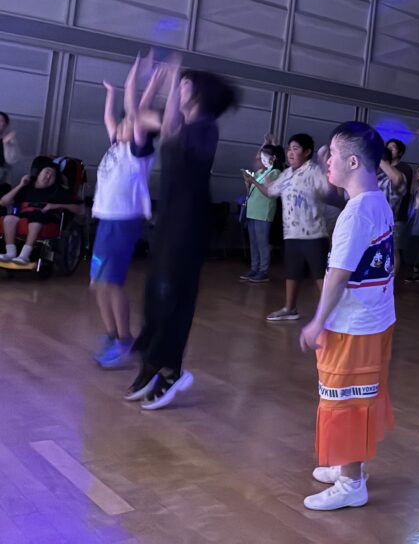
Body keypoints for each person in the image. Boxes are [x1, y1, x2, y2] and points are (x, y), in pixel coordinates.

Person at [126, 59, 237, 410]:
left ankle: (171, 369)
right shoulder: (180, 122)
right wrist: (146, 81)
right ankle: (151, 364)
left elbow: (170, 124)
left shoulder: (205, 128)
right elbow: (137, 116)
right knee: (155, 290)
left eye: (187, 84)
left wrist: (172, 76)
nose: (180, 88)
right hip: (170, 218)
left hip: (190, 220)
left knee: (174, 292)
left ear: (201, 94)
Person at [298, 122, 396, 512]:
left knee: (345, 401)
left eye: (333, 155)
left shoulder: (355, 213)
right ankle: (346, 465)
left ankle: (351, 482)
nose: (327, 161)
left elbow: (337, 276)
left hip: (354, 326)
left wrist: (317, 321)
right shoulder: (377, 201)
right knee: (357, 397)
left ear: (353, 162)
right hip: (375, 318)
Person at [90, 57, 157, 368]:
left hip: (123, 222)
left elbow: (136, 113)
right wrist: (111, 93)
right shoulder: (115, 145)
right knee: (97, 283)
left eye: (128, 123)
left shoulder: (137, 152)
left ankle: (124, 339)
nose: (121, 125)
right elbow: (109, 116)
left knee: (111, 282)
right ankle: (111, 334)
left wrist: (141, 79)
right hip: (105, 221)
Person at [250, 134, 330, 322]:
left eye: (295, 148)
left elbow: (329, 190)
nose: (290, 153)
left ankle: (331, 314)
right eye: (289, 149)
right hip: (292, 233)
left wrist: (326, 164)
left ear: (307, 152)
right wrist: (259, 181)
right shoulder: (286, 174)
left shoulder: (314, 171)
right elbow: (271, 192)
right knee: (292, 272)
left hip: (313, 234)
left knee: (320, 275)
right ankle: (290, 308)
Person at [1, 162, 85, 264]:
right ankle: (10, 253)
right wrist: (20, 185)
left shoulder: (58, 191)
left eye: (52, 175)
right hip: (25, 215)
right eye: (47, 172)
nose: (48, 176)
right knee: (9, 218)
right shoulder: (26, 187)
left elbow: (81, 210)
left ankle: (24, 255)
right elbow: (3, 202)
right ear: (38, 174)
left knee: (36, 218)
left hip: (46, 218)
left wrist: (55, 205)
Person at [240, 139, 284, 284]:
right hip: (252, 211)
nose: (262, 161)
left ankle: (263, 271)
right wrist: (248, 183)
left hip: (263, 213)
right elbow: (252, 192)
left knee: (262, 243)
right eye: (262, 158)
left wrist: (254, 181)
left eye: (265, 158)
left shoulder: (275, 172)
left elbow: (269, 192)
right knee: (253, 242)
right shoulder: (260, 172)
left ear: (273, 158)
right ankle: (254, 268)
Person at [385, 138, 414, 276]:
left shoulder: (404, 169)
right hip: (381, 216)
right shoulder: (381, 167)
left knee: (394, 249)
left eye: (393, 147)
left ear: (400, 152)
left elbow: (400, 186)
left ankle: (392, 280)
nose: (389, 149)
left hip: (397, 216)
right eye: (388, 147)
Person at [0, 110, 20, 188]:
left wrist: (7, 144)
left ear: (6, 124)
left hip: (2, 178)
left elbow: (12, 160)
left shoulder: (10, 140)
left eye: (1, 120)